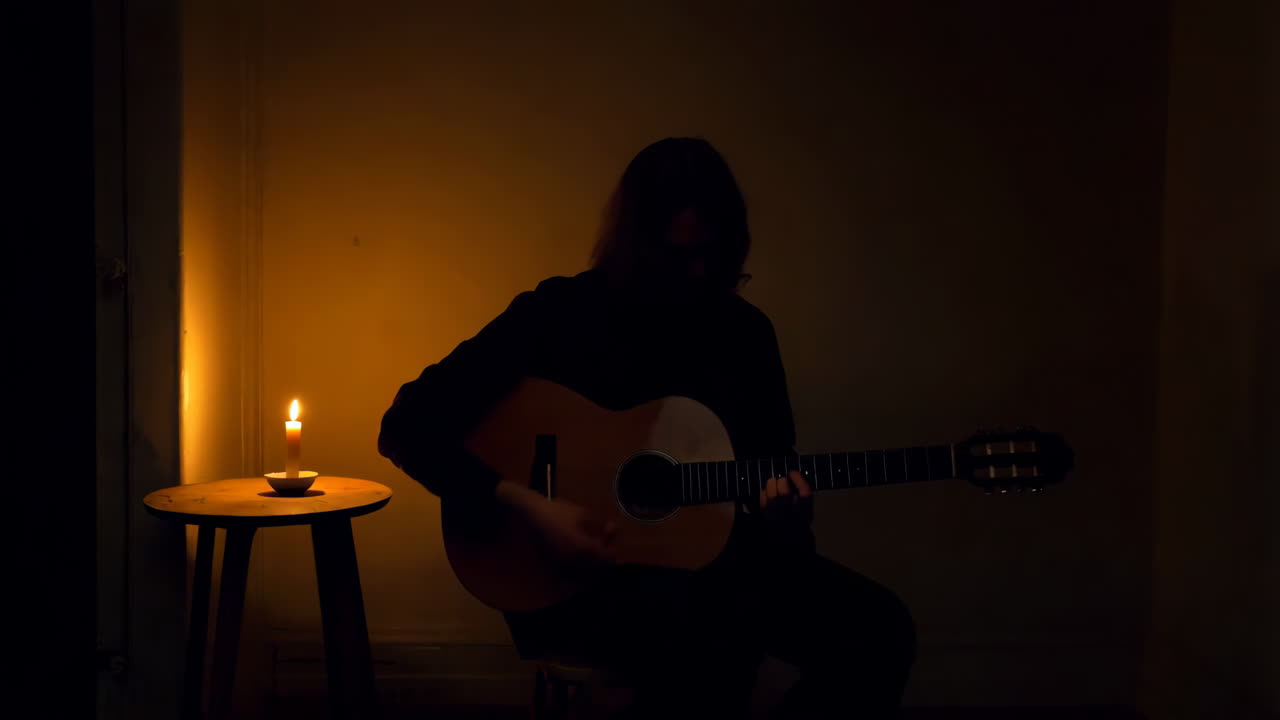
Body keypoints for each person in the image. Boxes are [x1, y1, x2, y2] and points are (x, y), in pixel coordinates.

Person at [378, 137, 916, 718]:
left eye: (712, 255)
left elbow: (770, 471)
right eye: (677, 256)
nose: (698, 273)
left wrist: (785, 517)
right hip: (573, 583)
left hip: (715, 574)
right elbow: (407, 424)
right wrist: (531, 507)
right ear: (637, 244)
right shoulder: (557, 315)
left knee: (879, 629)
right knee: (706, 639)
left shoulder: (745, 335)